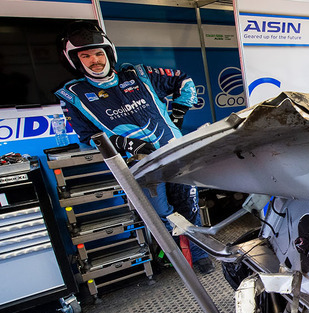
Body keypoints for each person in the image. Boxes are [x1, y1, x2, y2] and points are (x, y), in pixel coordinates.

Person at [55, 21, 215, 274]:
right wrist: (124, 143)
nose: (94, 60)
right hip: (138, 165)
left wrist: (178, 113)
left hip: (175, 153)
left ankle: (198, 254)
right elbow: (87, 138)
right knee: (161, 213)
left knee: (189, 206)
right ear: (76, 60)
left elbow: (183, 81)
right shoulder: (73, 95)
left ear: (108, 53)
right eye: (85, 56)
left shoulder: (139, 74)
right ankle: (178, 254)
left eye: (98, 53)